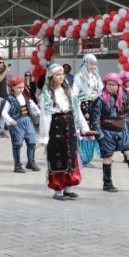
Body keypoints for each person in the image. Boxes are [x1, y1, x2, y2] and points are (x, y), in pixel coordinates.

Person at [91, 73, 129, 192]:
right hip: (107, 132)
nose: (112, 87)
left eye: (114, 85)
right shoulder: (100, 99)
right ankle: (107, 183)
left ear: (119, 86)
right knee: (108, 158)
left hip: (121, 131)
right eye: (109, 84)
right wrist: (99, 135)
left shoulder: (122, 98)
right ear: (105, 85)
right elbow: (95, 119)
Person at [40, 63, 91, 200]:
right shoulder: (47, 94)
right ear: (51, 76)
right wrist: (44, 137)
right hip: (56, 127)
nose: (61, 77)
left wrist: (84, 127)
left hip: (69, 126)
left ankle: (68, 187)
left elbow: (77, 110)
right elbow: (45, 116)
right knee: (58, 157)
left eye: (62, 74)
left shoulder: (69, 91)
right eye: (58, 74)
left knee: (71, 156)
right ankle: (58, 190)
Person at [0, 76, 41, 174]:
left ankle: (31, 162)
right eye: (19, 87)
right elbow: (3, 112)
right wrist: (10, 120)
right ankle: (17, 165)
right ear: (13, 87)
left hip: (27, 121)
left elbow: (32, 105)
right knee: (17, 144)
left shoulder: (25, 96)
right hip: (16, 123)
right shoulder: (9, 99)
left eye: (22, 87)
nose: (21, 89)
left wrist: (39, 112)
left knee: (32, 142)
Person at [72, 54, 102, 166]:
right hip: (85, 106)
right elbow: (74, 93)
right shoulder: (79, 76)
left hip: (95, 104)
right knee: (86, 131)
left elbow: (100, 90)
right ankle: (84, 158)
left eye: (94, 63)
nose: (93, 65)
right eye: (90, 63)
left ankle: (93, 156)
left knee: (96, 128)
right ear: (85, 63)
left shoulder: (96, 76)